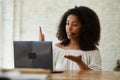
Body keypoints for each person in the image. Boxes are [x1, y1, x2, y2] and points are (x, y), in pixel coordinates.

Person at [39, 6, 101, 71]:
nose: (69, 28)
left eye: (74, 25)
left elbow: (96, 76)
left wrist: (80, 63)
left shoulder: (93, 52)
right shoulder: (57, 49)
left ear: (85, 28)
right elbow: (45, 70)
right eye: (67, 23)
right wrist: (41, 47)